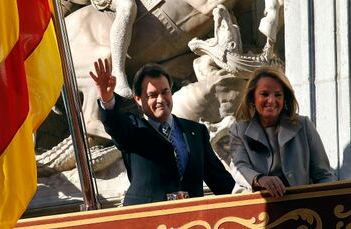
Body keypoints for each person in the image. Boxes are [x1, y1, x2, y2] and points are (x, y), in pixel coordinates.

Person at [89, 58, 235, 205]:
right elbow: (116, 125)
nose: (161, 99)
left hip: (191, 219)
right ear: (138, 99)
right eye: (152, 95)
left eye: (165, 92)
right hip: (147, 219)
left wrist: (247, 199)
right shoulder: (133, 129)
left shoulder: (196, 131)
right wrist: (107, 100)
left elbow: (220, 180)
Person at [229, 67, 337, 197]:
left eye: (278, 95)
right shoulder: (238, 130)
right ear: (252, 98)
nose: (271, 100)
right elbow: (238, 166)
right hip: (255, 206)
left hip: (300, 207)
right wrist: (259, 179)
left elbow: (323, 174)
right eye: (264, 94)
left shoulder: (304, 125)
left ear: (285, 98)